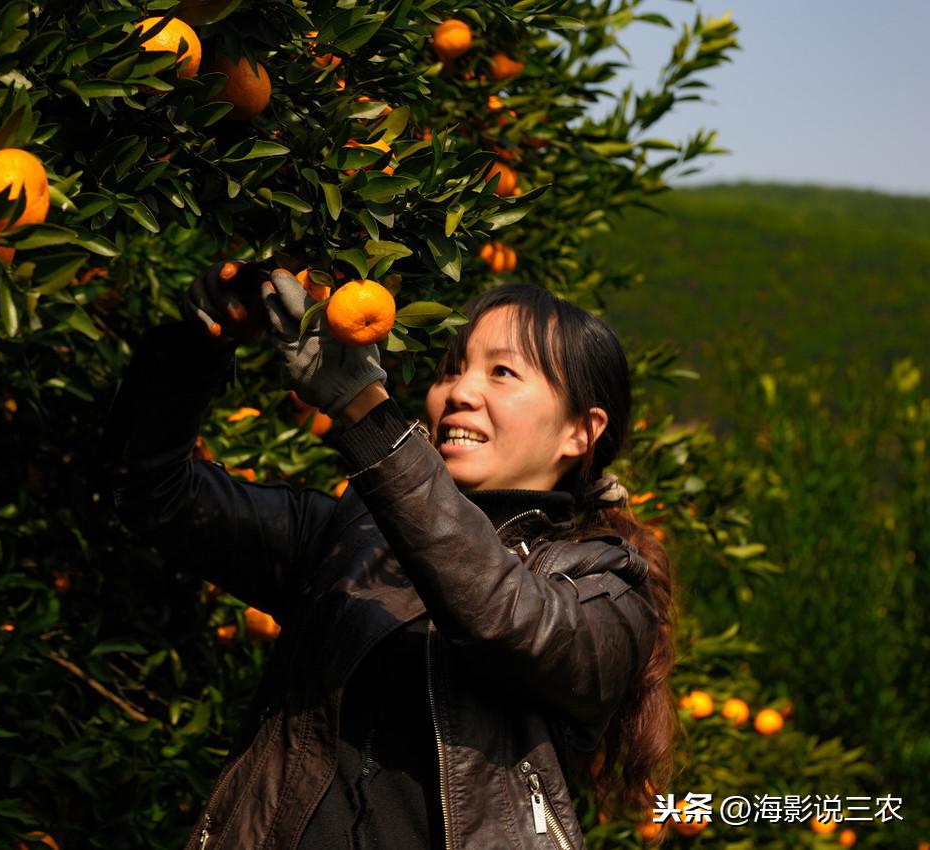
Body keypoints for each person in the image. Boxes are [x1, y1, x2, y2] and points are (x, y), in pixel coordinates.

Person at [102, 263, 676, 850]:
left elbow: (505, 618)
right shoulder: (350, 538)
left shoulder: (608, 589)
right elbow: (154, 493)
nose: (460, 392)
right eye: (451, 370)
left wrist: (365, 413)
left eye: (502, 372)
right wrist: (198, 347)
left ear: (580, 431)